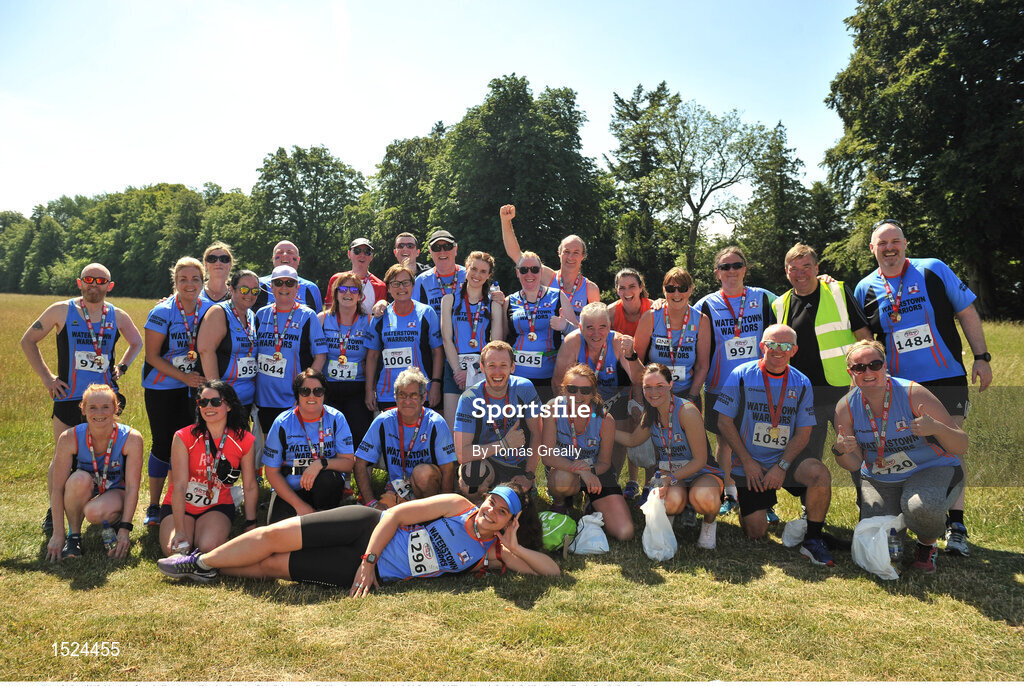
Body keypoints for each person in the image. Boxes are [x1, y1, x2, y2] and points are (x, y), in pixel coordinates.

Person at [854, 218, 992, 556]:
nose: (889, 248)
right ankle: (908, 520)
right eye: (881, 243)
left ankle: (955, 525)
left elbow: (967, 312)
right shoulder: (865, 288)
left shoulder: (933, 269)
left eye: (894, 241)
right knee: (908, 449)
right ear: (872, 249)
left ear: (905, 243)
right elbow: (866, 342)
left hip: (945, 378)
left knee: (949, 447)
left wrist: (981, 356)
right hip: (899, 388)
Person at [157, 483, 559, 588]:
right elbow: (396, 514)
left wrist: (516, 545)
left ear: (511, 520)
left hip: (368, 572)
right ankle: (199, 561)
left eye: (502, 511)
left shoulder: (492, 553)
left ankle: (211, 571)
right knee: (271, 536)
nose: (490, 511)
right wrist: (368, 561)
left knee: (270, 568)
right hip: (366, 529)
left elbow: (552, 573)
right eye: (491, 502)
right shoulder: (457, 505)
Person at [21, 262, 142, 536]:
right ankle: (53, 514)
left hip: (103, 401)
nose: (94, 285)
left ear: (109, 286)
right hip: (68, 396)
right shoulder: (61, 310)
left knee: (102, 455)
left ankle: (101, 502)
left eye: (101, 281)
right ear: (79, 282)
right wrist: (47, 378)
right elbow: (28, 340)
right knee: (61, 458)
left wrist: (121, 367)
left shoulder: (118, 315)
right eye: (89, 279)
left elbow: (137, 342)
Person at [833, 340, 967, 573]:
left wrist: (937, 428)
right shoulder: (845, 407)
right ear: (851, 373)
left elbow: (962, 444)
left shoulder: (913, 393)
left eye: (875, 364)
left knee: (919, 507)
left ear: (885, 366)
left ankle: (927, 544)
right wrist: (841, 451)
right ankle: (896, 539)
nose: (868, 372)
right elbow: (853, 463)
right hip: (881, 478)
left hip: (930, 468)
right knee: (879, 544)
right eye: (859, 367)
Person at [715, 324, 836, 566]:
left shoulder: (801, 382)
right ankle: (757, 504)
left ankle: (813, 538)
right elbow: (724, 422)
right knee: (756, 533)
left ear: (794, 350)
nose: (778, 350)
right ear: (762, 346)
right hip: (752, 464)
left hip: (786, 460)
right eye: (772, 344)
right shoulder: (740, 374)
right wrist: (748, 462)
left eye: (785, 346)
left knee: (819, 473)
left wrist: (782, 466)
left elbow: (804, 432)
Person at [772, 243, 871, 477]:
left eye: (806, 266)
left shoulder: (838, 291)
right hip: (805, 397)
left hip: (845, 392)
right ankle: (810, 511)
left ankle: (870, 508)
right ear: (786, 272)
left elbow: (865, 338)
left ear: (817, 268)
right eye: (793, 268)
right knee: (807, 457)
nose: (800, 273)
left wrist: (866, 382)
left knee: (857, 452)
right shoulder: (778, 305)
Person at [695, 246, 776, 519]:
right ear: (717, 273)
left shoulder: (764, 298)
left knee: (760, 441)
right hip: (720, 386)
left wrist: (825, 282)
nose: (731, 270)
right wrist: (660, 302)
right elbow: (681, 316)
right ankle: (730, 493)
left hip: (759, 384)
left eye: (736, 265)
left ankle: (764, 501)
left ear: (745, 268)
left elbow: (796, 297)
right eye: (725, 266)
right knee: (725, 442)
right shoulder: (706, 304)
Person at [140, 257, 215, 527]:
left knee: (189, 446)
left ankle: (178, 502)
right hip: (163, 386)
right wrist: (184, 377)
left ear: (203, 281)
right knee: (163, 444)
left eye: (195, 278)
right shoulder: (162, 311)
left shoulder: (210, 309)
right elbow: (152, 356)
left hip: (195, 387)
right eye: (183, 279)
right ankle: (153, 506)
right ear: (175, 282)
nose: (189, 284)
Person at [615, 364, 721, 549]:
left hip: (701, 472)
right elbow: (632, 440)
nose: (653, 392)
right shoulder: (651, 413)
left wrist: (669, 478)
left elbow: (700, 460)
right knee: (669, 501)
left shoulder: (687, 411)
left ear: (671, 385)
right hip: (671, 474)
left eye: (660, 386)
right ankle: (670, 519)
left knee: (705, 497)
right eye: (648, 387)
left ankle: (709, 524)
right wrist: (604, 428)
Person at [45, 384, 143, 561]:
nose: (99, 413)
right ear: (83, 409)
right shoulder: (68, 437)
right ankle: (73, 537)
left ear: (115, 408)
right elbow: (57, 488)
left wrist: (125, 529)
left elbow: (132, 487)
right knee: (77, 480)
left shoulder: (131, 438)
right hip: (86, 487)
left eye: (106, 407)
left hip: (115, 492)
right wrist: (57, 533)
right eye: (92, 407)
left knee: (93, 511)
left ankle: (114, 520)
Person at [552, 302, 644, 491]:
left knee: (619, 434)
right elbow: (558, 382)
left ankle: (612, 478)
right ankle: (575, 478)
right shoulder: (573, 342)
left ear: (609, 327)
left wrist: (632, 355)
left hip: (614, 398)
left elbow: (638, 378)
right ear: (580, 327)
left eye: (602, 327)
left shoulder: (618, 342)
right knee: (573, 434)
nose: (596, 334)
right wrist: (565, 412)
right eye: (590, 328)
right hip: (579, 399)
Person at [159, 381, 258, 555]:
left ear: (228, 406)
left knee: (207, 547)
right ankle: (186, 533)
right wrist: (180, 530)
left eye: (216, 402)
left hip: (217, 504)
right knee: (176, 550)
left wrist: (251, 523)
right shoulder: (183, 436)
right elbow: (179, 485)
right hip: (182, 504)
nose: (208, 406)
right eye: (203, 402)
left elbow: (249, 485)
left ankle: (214, 538)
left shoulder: (244, 439)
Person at [543, 364, 634, 541]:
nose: (578, 396)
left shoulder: (605, 419)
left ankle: (591, 502)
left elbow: (605, 463)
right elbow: (547, 456)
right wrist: (580, 471)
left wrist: (588, 472)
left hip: (596, 472)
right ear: (563, 389)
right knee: (562, 479)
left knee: (624, 532)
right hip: (564, 470)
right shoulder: (552, 409)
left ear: (593, 393)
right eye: (572, 389)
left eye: (585, 390)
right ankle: (561, 503)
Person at [262, 369, 356, 523]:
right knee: (279, 537)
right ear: (297, 395)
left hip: (323, 484)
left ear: (324, 394)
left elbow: (348, 463)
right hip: (290, 487)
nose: (312, 396)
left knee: (329, 480)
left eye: (318, 391)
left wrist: (321, 463)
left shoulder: (336, 418)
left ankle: (324, 519)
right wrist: (300, 506)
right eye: (305, 391)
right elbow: (271, 472)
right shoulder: (282, 422)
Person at [354, 368, 457, 509]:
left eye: (413, 396)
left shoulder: (435, 423)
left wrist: (445, 508)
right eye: (402, 395)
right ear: (395, 396)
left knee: (423, 473)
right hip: (396, 488)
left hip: (427, 488)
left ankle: (428, 512)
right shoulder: (383, 421)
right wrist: (371, 503)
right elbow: (360, 462)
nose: (407, 401)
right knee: (384, 519)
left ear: (423, 397)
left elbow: (448, 469)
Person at [454, 341, 542, 497]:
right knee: (471, 474)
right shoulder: (469, 398)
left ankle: (525, 491)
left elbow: (537, 434)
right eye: (491, 365)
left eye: (503, 365)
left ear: (512, 367)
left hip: (520, 465)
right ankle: (477, 512)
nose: (497, 372)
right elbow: (462, 454)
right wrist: (503, 444)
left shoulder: (525, 388)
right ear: (482, 367)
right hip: (489, 463)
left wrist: (529, 476)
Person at [253, 264, 328, 435]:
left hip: (293, 398)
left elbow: (321, 355)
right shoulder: (260, 315)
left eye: (289, 283)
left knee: (292, 448)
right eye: (278, 283)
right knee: (268, 451)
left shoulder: (307, 315)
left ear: (297, 288)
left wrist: (306, 390)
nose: (284, 287)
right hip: (263, 399)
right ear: (271, 287)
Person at [365, 264, 443, 410]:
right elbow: (372, 356)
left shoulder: (426, 313)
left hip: (420, 391)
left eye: (405, 283)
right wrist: (369, 390)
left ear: (413, 285)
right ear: (388, 288)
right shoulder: (380, 316)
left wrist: (436, 384)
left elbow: (437, 352)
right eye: (395, 284)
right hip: (388, 393)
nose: (401, 288)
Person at [440, 251, 504, 428]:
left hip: (481, 369)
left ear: (489, 275)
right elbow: (447, 339)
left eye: (483, 271)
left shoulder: (493, 304)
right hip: (454, 367)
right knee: (453, 429)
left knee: (481, 428)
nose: (477, 275)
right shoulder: (449, 300)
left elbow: (496, 344)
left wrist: (480, 371)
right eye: (474, 269)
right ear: (466, 269)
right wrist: (458, 371)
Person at [500, 204, 600, 317]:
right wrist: (506, 221)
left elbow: (596, 324)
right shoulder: (548, 277)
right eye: (566, 252)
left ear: (583, 256)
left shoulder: (590, 289)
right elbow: (516, 255)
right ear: (559, 253)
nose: (570, 257)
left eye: (576, 253)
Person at [504, 251, 577, 401]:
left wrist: (565, 326)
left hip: (550, 377)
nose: (529, 274)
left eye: (534, 269)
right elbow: (502, 340)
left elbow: (578, 336)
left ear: (541, 271)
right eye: (524, 270)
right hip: (517, 377)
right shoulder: (509, 301)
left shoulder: (558, 296)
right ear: (517, 273)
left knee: (547, 422)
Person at [607, 268, 654, 498]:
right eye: (622, 287)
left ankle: (650, 484)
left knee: (650, 424)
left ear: (641, 287)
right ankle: (632, 481)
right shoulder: (611, 312)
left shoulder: (654, 308)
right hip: (622, 374)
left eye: (632, 286)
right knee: (628, 424)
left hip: (649, 370)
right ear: (616, 290)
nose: (627, 292)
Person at [318, 271, 375, 448]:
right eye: (342, 289)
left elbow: (372, 357)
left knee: (359, 432)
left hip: (357, 387)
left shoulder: (369, 321)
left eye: (353, 289)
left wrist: (368, 391)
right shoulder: (322, 319)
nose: (347, 293)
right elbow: (316, 356)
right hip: (328, 387)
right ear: (335, 293)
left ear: (360, 296)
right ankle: (336, 473)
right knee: (329, 435)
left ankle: (360, 473)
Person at [196, 269, 261, 412]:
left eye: (255, 291)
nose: (249, 295)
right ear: (232, 289)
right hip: (222, 400)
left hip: (245, 399)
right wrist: (217, 394)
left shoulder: (251, 315)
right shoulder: (219, 312)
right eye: (244, 289)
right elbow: (206, 350)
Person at [254, 240, 323, 311]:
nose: (285, 255)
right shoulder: (257, 285)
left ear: (298, 260)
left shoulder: (311, 288)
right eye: (280, 252)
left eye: (290, 252)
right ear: (273, 259)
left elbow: (318, 319)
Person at [413, 229, 466, 317]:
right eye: (436, 248)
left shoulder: (469, 275)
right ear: (430, 251)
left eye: (447, 246)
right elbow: (413, 312)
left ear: (456, 249)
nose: (442, 252)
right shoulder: (421, 281)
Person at [348, 237, 387, 307]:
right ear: (349, 254)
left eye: (367, 251)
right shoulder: (336, 280)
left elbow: (379, 316)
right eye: (357, 251)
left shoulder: (380, 286)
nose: (362, 255)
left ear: (372, 256)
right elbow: (330, 312)